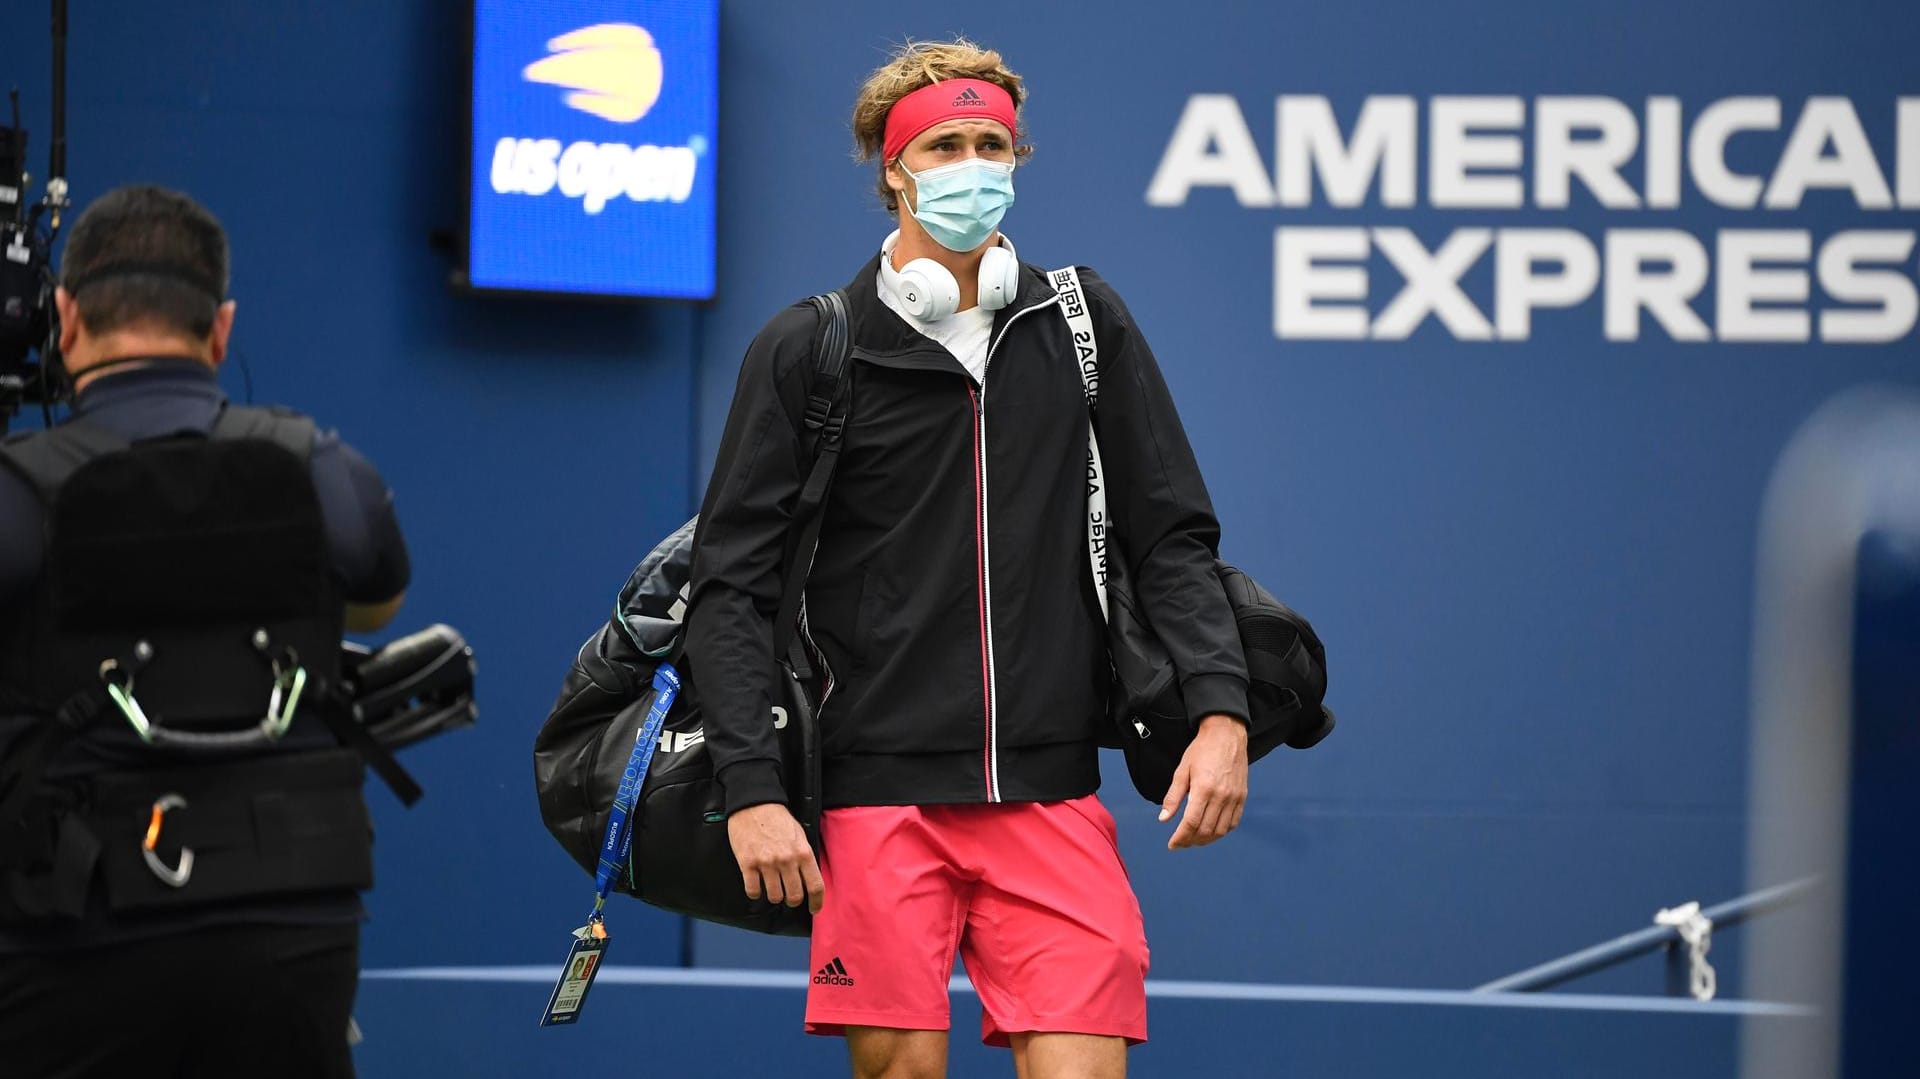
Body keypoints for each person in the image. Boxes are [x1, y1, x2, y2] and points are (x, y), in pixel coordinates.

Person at [686, 40, 1250, 1079]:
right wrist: (753, 784)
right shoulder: (812, 345)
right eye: (944, 143)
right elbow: (730, 585)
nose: (972, 162)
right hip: (873, 798)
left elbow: (1170, 535)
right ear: (894, 169)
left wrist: (1223, 710)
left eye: (992, 142)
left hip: (1049, 793)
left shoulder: (1082, 324)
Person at [0, 184, 410, 1078]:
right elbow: (376, 599)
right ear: (219, 330)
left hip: (74, 939)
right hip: (292, 937)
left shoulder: (19, 494)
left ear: (65, 320)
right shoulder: (327, 475)